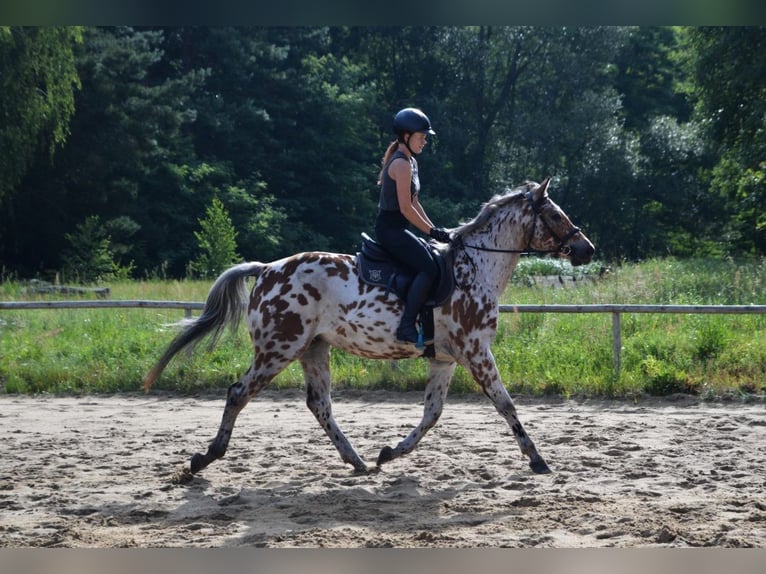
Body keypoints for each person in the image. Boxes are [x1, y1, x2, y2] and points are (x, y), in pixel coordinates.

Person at [374, 107, 452, 344]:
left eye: (425, 137)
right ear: (406, 136)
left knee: (431, 258)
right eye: (421, 137)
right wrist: (430, 231)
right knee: (428, 268)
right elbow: (406, 209)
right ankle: (406, 326)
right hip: (389, 231)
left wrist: (435, 229)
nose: (424, 141)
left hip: (399, 229)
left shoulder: (411, 162)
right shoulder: (401, 164)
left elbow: (415, 203)